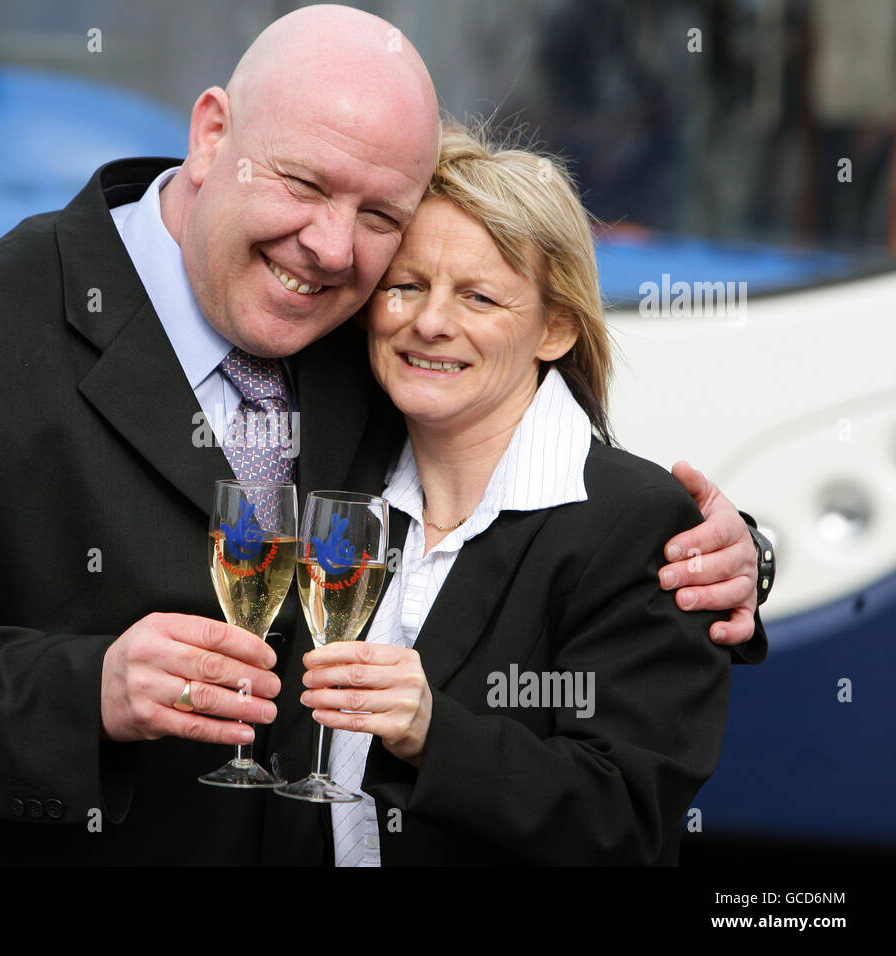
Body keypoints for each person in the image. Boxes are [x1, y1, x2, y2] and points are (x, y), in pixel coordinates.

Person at [0, 5, 767, 866]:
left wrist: (730, 554)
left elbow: (519, 483)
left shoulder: (362, 334)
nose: (328, 246)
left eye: (379, 216)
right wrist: (85, 687)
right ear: (211, 130)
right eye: (304, 183)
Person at [263, 119, 738, 865]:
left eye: (480, 298)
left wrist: (433, 734)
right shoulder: (333, 481)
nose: (430, 322)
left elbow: (625, 820)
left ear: (555, 328)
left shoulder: (639, 524)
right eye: (406, 286)